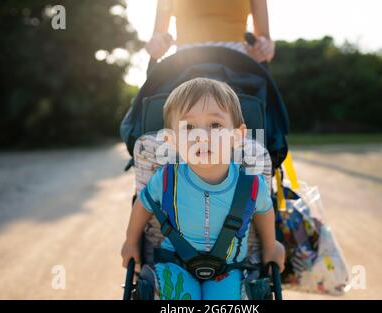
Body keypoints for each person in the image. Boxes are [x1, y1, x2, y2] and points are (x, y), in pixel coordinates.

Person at [121, 78, 285, 300]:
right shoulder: (167, 179)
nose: (201, 136)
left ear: (237, 136)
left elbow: (264, 211)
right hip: (174, 263)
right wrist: (131, 242)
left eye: (215, 125)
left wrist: (270, 244)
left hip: (229, 269)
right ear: (171, 140)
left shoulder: (251, 184)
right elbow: (142, 204)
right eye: (188, 127)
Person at [144, 0, 275, 63]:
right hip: (185, 65)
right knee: (180, 113)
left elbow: (265, 41)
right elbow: (158, 34)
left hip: (237, 67)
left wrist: (264, 47)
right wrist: (157, 43)